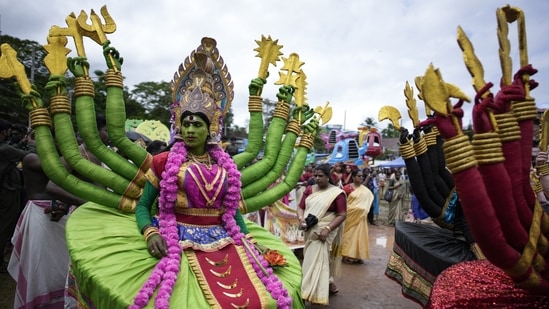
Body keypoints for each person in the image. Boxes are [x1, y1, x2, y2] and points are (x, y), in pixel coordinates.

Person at [132, 53, 293, 308]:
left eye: (197, 125)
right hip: (174, 239)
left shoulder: (225, 166)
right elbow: (143, 206)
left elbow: (231, 213)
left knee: (254, 298)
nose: (190, 130)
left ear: (211, 129)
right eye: (185, 124)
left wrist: (250, 243)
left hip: (223, 239)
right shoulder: (163, 161)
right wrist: (150, 233)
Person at [296, 163, 347, 305]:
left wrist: (328, 229)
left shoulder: (337, 193)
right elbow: (301, 208)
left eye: (321, 176)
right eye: (315, 176)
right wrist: (301, 220)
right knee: (310, 259)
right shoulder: (309, 190)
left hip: (325, 229)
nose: (317, 178)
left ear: (328, 176)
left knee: (317, 260)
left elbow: (342, 214)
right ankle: (315, 289)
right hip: (309, 228)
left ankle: (309, 293)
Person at [0, 119, 34, 273]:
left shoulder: (5, 148)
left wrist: (23, 141)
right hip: (8, 192)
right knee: (5, 225)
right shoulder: (4, 149)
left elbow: (12, 149)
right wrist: (32, 142)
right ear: (3, 133)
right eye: (8, 131)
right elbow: (27, 156)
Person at [341, 169, 373, 264]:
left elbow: (368, 203)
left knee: (360, 236)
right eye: (359, 176)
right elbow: (342, 202)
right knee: (348, 236)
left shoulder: (365, 191)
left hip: (361, 217)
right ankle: (346, 256)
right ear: (353, 177)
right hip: (350, 216)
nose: (361, 177)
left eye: (362, 176)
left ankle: (357, 256)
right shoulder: (347, 188)